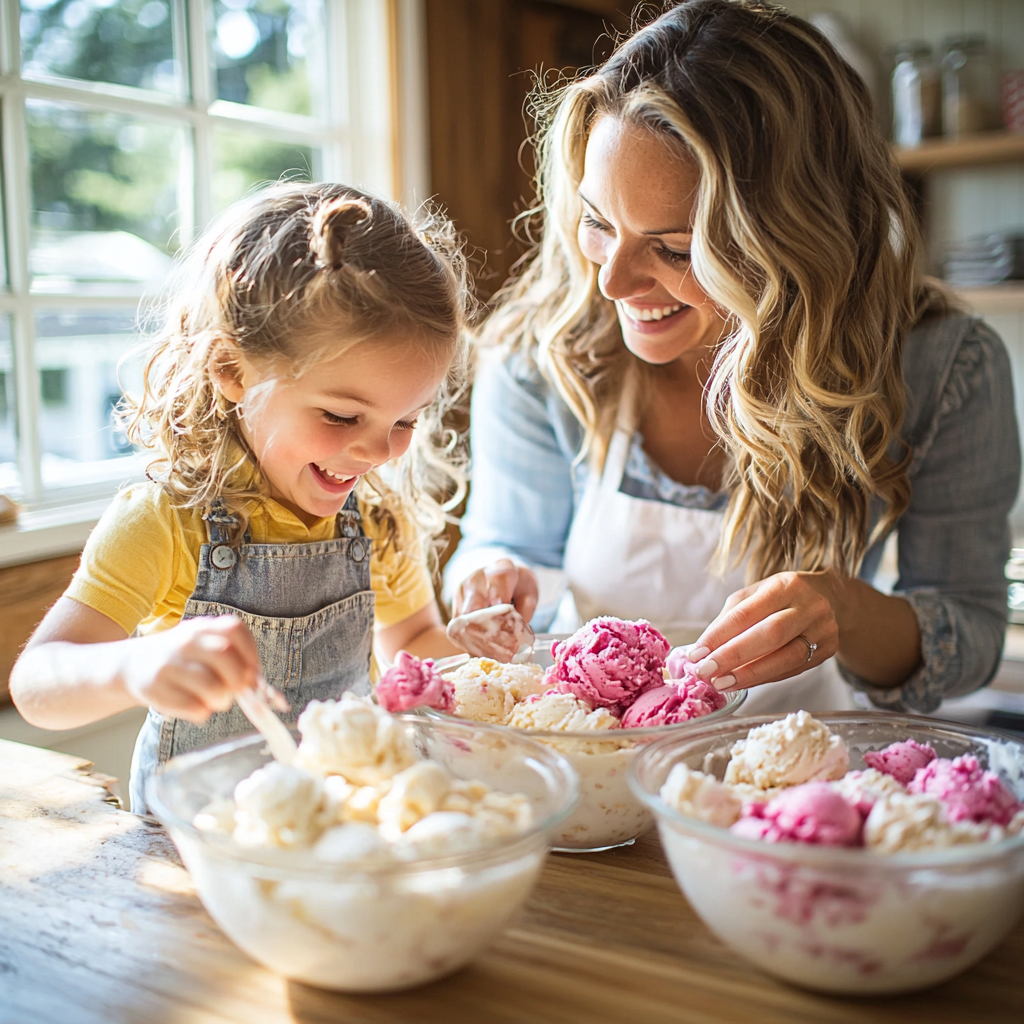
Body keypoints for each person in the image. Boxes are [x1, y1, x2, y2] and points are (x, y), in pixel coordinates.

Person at [444, 0, 1020, 715]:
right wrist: (488, 578)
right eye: (598, 222)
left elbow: (968, 637)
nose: (613, 282)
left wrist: (842, 607)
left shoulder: (943, 369)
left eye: (676, 249)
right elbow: (505, 541)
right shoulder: (545, 352)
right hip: (593, 774)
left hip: (787, 784)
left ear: (797, 241)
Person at [10, 182, 469, 811]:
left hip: (340, 827)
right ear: (231, 370)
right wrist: (136, 666)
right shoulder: (167, 522)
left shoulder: (378, 519)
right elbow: (37, 684)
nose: (377, 452)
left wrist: (479, 661)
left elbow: (413, 639)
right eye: (340, 416)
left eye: (405, 421)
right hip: (194, 852)